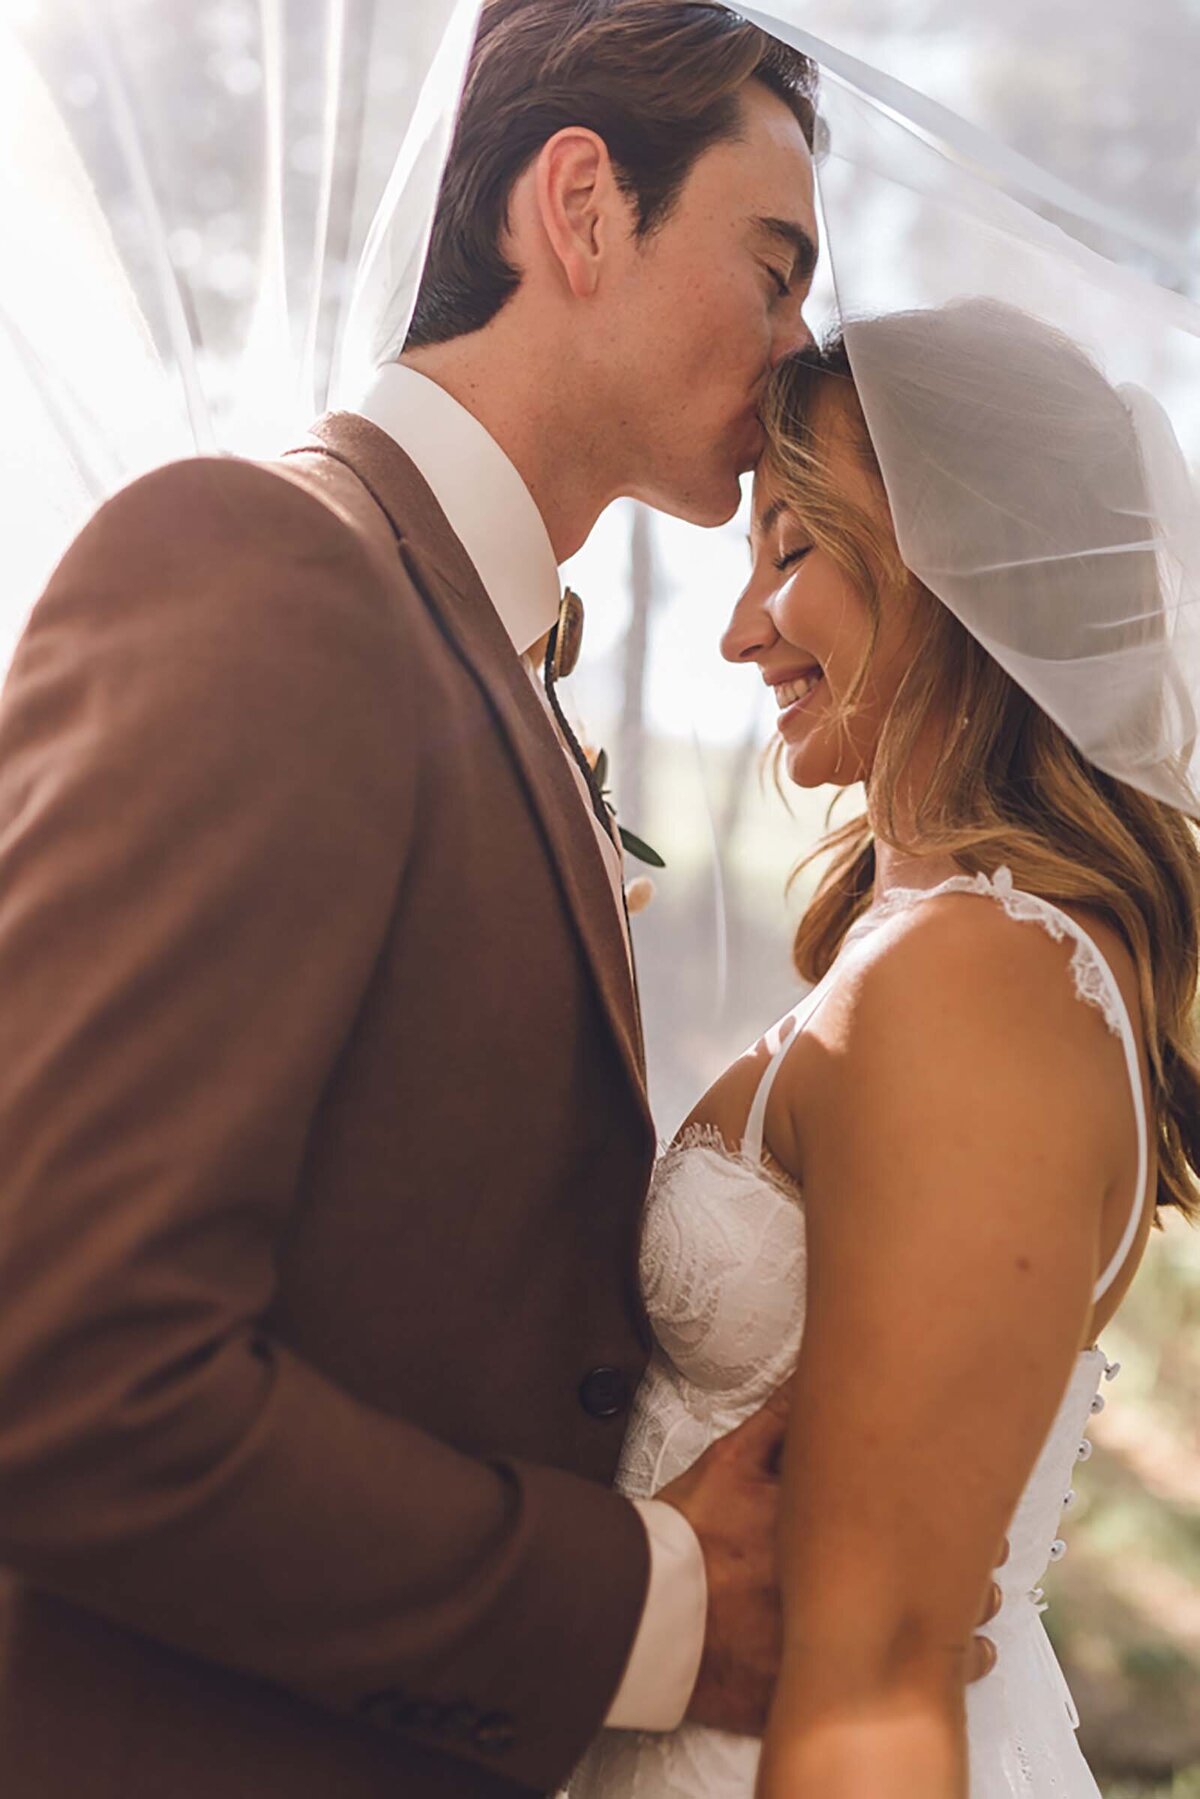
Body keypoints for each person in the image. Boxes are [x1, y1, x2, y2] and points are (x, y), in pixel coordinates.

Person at [0, 7, 821, 1797]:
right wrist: (658, 1609)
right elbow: (62, 1370)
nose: (799, 346)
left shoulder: (479, 646)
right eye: (773, 271)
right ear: (583, 208)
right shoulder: (265, 568)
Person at [566, 304, 1200, 1798]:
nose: (739, 630)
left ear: (964, 565)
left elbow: (881, 1668)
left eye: (792, 551)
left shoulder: (980, 977)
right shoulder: (931, 948)